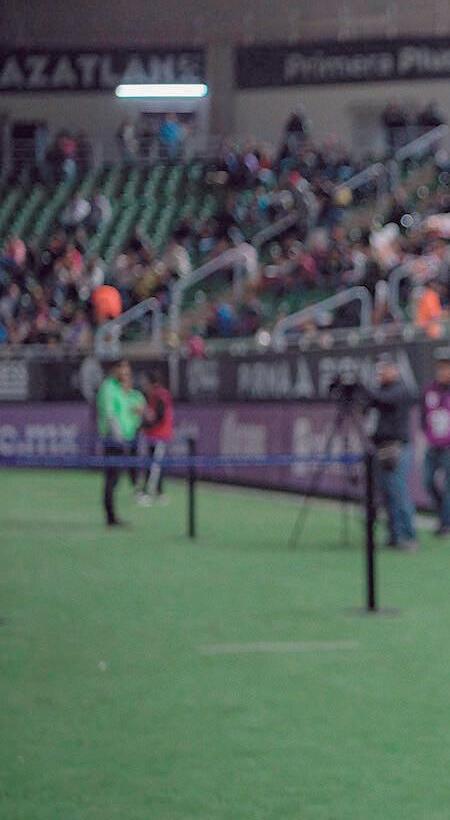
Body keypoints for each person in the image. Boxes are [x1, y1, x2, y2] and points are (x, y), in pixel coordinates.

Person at [364, 355, 417, 551]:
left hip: (397, 447)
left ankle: (408, 536)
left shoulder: (401, 389)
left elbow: (383, 400)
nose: (381, 373)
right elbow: (369, 405)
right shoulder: (379, 390)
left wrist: (362, 387)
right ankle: (394, 535)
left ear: (395, 370)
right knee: (386, 494)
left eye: (385, 369)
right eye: (379, 370)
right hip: (380, 447)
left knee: (398, 492)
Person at [96, 359, 132, 526]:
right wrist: (118, 438)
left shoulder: (119, 388)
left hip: (121, 439)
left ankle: (112, 515)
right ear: (115, 369)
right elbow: (110, 415)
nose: (126, 372)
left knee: (115, 479)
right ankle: (110, 517)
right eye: (123, 368)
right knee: (111, 478)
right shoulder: (109, 388)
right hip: (113, 440)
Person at [422, 348, 450, 536]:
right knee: (428, 482)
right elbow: (423, 416)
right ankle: (443, 515)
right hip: (433, 445)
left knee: (448, 487)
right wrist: (427, 435)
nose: (444, 371)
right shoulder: (429, 390)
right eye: (441, 367)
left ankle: (445, 524)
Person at [138, 370, 174, 506]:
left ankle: (148, 493)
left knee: (154, 465)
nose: (143, 385)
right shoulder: (152, 395)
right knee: (154, 464)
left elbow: (159, 416)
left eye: (145, 382)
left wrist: (145, 422)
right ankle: (159, 492)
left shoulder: (160, 395)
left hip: (159, 435)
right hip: (153, 434)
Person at [120, 366, 146, 489]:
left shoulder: (137, 395)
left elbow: (141, 409)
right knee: (119, 457)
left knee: (134, 456)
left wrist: (135, 409)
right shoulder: (119, 395)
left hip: (135, 430)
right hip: (121, 431)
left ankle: (136, 482)